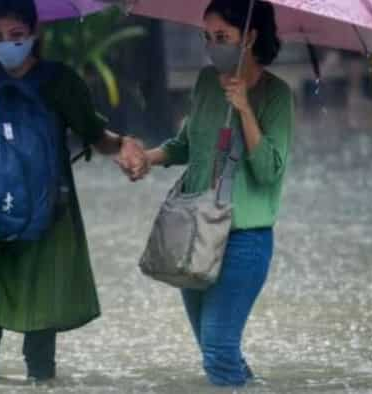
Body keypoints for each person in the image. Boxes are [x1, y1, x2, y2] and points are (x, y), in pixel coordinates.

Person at [0, 0, 146, 384]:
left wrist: (123, 145)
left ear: (34, 33)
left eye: (16, 35)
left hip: (47, 220)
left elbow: (95, 136)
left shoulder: (61, 82)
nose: (6, 43)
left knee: (39, 350)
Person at [118, 0, 294, 387]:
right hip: (196, 233)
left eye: (222, 37)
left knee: (218, 348)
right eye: (207, 36)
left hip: (244, 239)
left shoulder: (277, 96)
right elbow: (186, 144)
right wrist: (147, 158)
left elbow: (269, 172)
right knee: (215, 350)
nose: (213, 46)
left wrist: (246, 110)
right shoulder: (204, 82)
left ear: (249, 36)